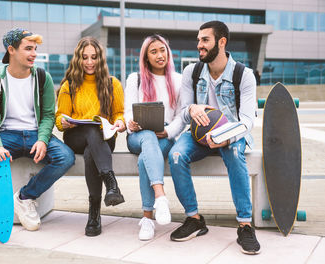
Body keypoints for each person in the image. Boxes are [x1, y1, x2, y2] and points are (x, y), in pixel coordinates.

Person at [0, 28, 75, 248]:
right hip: (7, 135)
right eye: (28, 48)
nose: (34, 54)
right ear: (11, 50)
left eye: (35, 49)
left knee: (65, 156)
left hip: (36, 134)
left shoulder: (42, 77)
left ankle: (25, 196)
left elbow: (48, 115)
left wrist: (43, 139)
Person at [168, 21, 261, 255]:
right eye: (198, 40)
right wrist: (191, 110)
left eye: (205, 40)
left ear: (222, 42)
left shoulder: (244, 75)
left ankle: (245, 225)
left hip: (231, 134)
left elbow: (248, 121)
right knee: (176, 155)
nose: (199, 45)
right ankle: (195, 219)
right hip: (198, 135)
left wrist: (226, 138)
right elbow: (183, 110)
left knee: (234, 152)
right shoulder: (192, 71)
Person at [55, 36, 126, 237]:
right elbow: (59, 118)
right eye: (84, 57)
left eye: (93, 57)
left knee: (91, 151)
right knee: (91, 130)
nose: (89, 62)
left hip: (104, 138)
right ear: (78, 59)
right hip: (75, 136)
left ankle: (94, 213)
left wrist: (120, 122)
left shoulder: (113, 84)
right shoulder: (69, 85)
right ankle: (111, 184)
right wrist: (64, 122)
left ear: (100, 59)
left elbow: (118, 113)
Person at [124, 35, 184, 241]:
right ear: (146, 57)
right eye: (154, 51)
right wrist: (130, 123)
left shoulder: (178, 80)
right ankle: (161, 197)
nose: (160, 55)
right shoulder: (135, 79)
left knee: (144, 160)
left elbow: (181, 117)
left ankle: (148, 218)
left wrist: (168, 132)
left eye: (163, 50)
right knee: (147, 136)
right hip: (138, 136)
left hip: (165, 135)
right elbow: (127, 112)